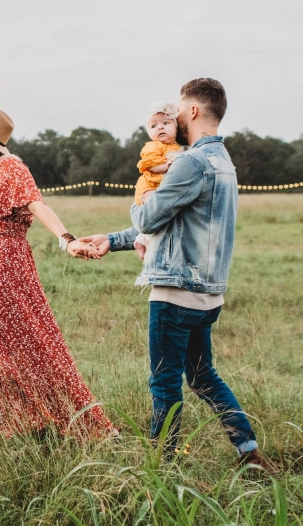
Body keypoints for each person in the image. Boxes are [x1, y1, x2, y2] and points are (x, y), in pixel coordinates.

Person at [80, 79, 275, 472]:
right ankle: (249, 452)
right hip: (208, 295)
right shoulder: (224, 163)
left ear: (194, 111)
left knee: (164, 381)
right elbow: (175, 223)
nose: (174, 116)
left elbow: (151, 216)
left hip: (175, 292)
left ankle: (161, 465)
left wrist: (142, 200)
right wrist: (113, 239)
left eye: (179, 109)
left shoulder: (190, 161)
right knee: (203, 376)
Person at [0, 105, 115, 438]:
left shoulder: (11, 167)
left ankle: (45, 419)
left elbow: (37, 204)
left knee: (27, 342)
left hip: (2, 266)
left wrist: (67, 239)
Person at [133, 102, 184, 260]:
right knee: (154, 208)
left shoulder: (178, 148)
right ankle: (145, 240)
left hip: (161, 186)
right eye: (154, 126)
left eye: (166, 123)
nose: (160, 127)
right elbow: (149, 164)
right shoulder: (153, 146)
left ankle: (142, 238)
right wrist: (165, 166)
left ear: (176, 128)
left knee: (163, 212)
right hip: (149, 186)